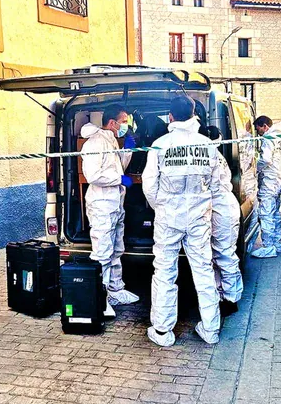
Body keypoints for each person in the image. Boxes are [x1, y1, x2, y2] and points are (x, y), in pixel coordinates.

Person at [142, 96, 221, 347]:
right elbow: (217, 184)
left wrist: (162, 207)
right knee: (203, 270)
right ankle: (210, 328)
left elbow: (149, 185)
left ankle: (163, 331)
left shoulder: (160, 145)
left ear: (171, 117)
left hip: (168, 217)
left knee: (164, 271)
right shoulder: (207, 145)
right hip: (199, 217)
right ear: (194, 113)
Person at [80, 105, 141, 314]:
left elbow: (117, 167)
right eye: (124, 121)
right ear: (112, 123)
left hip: (115, 203)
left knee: (116, 249)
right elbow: (93, 175)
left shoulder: (111, 140)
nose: (126, 125)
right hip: (102, 205)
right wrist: (120, 179)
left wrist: (128, 151)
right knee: (102, 253)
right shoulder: (95, 143)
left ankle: (115, 289)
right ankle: (99, 297)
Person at [211, 154, 243, 316]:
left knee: (224, 255)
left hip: (221, 208)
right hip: (220, 205)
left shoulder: (208, 154)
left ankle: (231, 299)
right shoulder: (215, 152)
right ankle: (221, 295)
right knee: (216, 257)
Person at [251, 116, 281, 258]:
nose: (258, 133)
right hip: (279, 179)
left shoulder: (268, 138)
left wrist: (254, 168)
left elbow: (265, 159)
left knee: (266, 214)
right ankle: (278, 244)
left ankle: (268, 246)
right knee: (275, 214)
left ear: (264, 126)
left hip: (270, 181)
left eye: (258, 129)